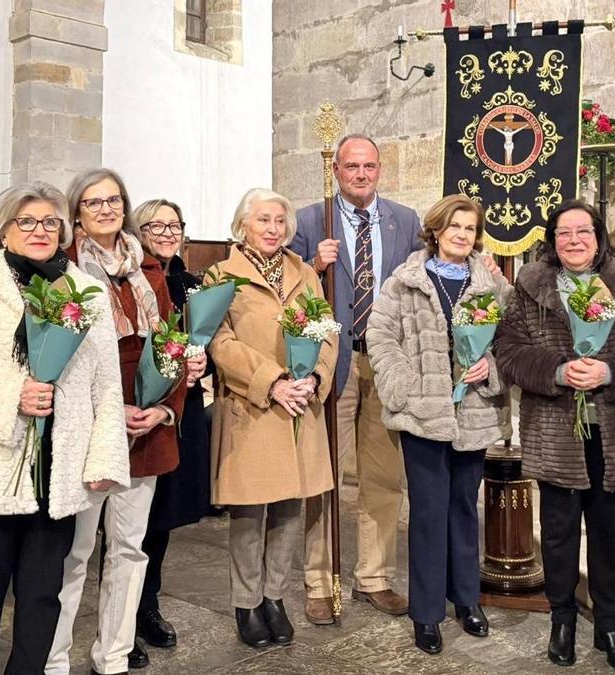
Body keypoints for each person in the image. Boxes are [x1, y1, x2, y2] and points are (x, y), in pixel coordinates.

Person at [0, 182, 129, 673]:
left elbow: (106, 385)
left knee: (42, 596)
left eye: (51, 222)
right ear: (3, 230)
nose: (41, 231)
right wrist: (12, 397)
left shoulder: (87, 293)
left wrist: (104, 458)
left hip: (57, 467)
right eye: (27, 221)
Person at [47, 170, 202, 675]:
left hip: (145, 427)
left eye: (114, 200)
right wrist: (110, 411)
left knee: (130, 548)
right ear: (77, 213)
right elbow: (56, 358)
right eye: (94, 202)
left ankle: (112, 655)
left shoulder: (148, 269)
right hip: (90, 428)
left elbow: (171, 344)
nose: (106, 209)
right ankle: (54, 658)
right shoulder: (63, 271)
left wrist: (163, 408)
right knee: (75, 552)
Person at [496, 200, 615, 672]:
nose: (574, 240)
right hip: (555, 430)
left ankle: (610, 625)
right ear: (552, 240)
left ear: (598, 236)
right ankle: (563, 620)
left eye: (583, 231)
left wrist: (609, 371)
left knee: (609, 534)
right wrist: (558, 370)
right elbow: (509, 351)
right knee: (559, 533)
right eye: (563, 233)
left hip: (614, 428)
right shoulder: (530, 287)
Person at [364, 194, 510, 655]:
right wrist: (404, 385)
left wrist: (490, 366)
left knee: (464, 508)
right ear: (436, 231)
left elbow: (511, 340)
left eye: (470, 228)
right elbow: (379, 336)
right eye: (454, 227)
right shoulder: (405, 281)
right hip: (422, 414)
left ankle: (466, 599)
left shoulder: (491, 284)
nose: (462, 235)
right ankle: (426, 612)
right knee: (428, 512)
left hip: (474, 413)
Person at [290, 133, 420, 623]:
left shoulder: (404, 220)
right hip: (333, 362)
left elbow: (420, 281)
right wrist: (312, 265)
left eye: (369, 166)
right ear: (336, 171)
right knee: (324, 474)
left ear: (379, 169)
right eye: (351, 167)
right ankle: (320, 581)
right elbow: (284, 290)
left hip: (384, 362)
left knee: (383, 476)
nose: (361, 174)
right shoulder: (310, 221)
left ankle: (375, 576)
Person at [209, 188, 338, 648]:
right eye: (263, 220)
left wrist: (315, 378)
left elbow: (327, 332)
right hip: (253, 407)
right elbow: (219, 342)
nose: (272, 228)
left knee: (289, 509)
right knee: (250, 513)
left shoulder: (305, 272)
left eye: (280, 221)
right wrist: (274, 381)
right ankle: (246, 603)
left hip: (301, 405)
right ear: (243, 225)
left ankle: (274, 597)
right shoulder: (221, 274)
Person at [131, 198, 215, 655]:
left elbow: (208, 344)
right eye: (156, 225)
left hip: (179, 414)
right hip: (140, 411)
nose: (167, 233)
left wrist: (204, 363)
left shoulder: (191, 284)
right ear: (138, 231)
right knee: (129, 524)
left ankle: (148, 606)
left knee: (160, 519)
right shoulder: (131, 280)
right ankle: (122, 615)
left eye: (174, 225)